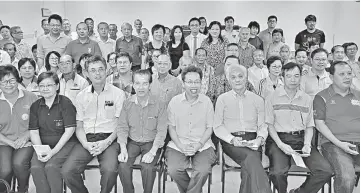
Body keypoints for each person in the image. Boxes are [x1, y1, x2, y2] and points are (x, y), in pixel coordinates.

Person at [265, 62, 333, 193]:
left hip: (302, 139)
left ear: (300, 77)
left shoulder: (306, 99)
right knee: (277, 173)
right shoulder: (271, 98)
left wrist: (307, 144)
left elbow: (309, 126)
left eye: (296, 76)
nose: (293, 80)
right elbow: (269, 125)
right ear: (282, 78)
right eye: (289, 76)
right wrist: (280, 144)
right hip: (278, 139)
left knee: (325, 171)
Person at [62, 55, 125, 193]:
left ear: (107, 70)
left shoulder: (118, 94)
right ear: (86, 74)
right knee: (68, 171)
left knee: (110, 170)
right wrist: (85, 144)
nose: (97, 73)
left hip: (110, 138)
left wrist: (106, 143)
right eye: (93, 70)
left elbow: (121, 125)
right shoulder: (81, 96)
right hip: (87, 138)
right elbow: (78, 126)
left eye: (101, 69)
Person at [213, 64, 272, 193]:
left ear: (246, 78)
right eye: (233, 77)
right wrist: (232, 139)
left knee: (249, 167)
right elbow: (217, 126)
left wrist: (260, 139)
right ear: (228, 80)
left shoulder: (258, 100)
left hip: (253, 140)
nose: (237, 80)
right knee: (252, 159)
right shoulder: (222, 99)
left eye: (240, 76)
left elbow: (263, 125)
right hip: (231, 141)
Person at [166, 65, 216, 193]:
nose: (193, 86)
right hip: (179, 143)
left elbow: (210, 127)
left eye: (197, 82)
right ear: (183, 83)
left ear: (201, 83)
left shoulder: (207, 102)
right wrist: (181, 146)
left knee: (203, 170)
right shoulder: (174, 102)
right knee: (173, 169)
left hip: (202, 144)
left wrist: (198, 145)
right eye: (189, 82)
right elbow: (171, 128)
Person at [117, 69, 167, 193]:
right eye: (137, 83)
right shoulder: (127, 103)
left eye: (145, 83)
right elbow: (122, 127)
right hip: (133, 141)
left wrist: (153, 152)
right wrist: (123, 149)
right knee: (123, 165)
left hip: (151, 142)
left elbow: (161, 131)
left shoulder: (160, 104)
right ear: (133, 84)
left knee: (148, 167)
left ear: (150, 85)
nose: (141, 87)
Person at [314, 61, 360, 193]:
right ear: (332, 77)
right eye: (342, 74)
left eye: (349, 73)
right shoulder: (321, 97)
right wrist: (340, 144)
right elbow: (319, 124)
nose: (347, 77)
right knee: (347, 177)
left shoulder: (359, 95)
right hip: (333, 144)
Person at [29, 71, 78, 193]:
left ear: (57, 86)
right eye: (41, 85)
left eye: (49, 85)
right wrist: (41, 150)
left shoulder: (65, 103)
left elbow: (69, 130)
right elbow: (34, 132)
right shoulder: (35, 106)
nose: (45, 89)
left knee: (52, 167)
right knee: (36, 167)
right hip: (42, 144)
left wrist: (53, 152)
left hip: (65, 143)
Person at [0, 65, 37, 193]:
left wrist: (26, 136)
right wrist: (10, 142)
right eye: (4, 81)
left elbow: (38, 123)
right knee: (5, 170)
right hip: (4, 142)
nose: (8, 84)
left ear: (18, 80)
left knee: (19, 164)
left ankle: (22, 190)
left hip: (26, 141)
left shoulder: (31, 97)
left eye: (12, 80)